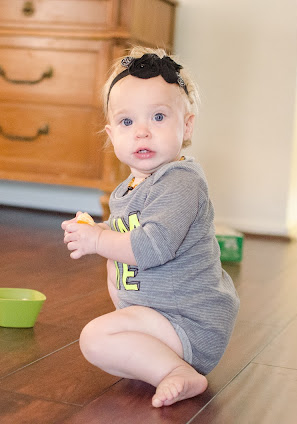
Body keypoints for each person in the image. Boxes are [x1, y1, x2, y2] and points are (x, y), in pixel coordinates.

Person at [61, 47, 240, 408]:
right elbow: (127, 232)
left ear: (186, 125)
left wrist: (98, 240)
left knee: (94, 337)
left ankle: (177, 371)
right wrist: (97, 229)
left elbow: (150, 246)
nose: (142, 132)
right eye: (127, 122)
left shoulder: (181, 182)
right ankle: (158, 361)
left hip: (187, 322)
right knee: (104, 342)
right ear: (111, 134)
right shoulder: (130, 187)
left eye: (158, 117)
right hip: (159, 318)